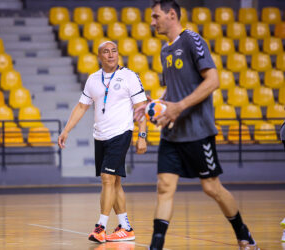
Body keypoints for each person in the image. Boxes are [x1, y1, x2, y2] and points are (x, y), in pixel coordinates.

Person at [134, 1, 258, 249]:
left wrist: (178, 107)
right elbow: (174, 90)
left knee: (212, 188)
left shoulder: (191, 39)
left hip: (198, 133)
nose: (152, 22)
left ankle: (244, 235)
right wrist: (156, 104)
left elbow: (213, 81)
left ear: (172, 15)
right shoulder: (164, 51)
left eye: (156, 16)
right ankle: (155, 246)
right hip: (172, 134)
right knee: (164, 187)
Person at [58, 41, 147, 243]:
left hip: (121, 133)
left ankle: (100, 227)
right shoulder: (93, 79)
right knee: (114, 182)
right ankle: (126, 227)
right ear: (99, 56)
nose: (111, 55)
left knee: (107, 178)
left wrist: (142, 136)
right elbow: (81, 107)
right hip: (100, 136)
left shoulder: (129, 76)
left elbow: (141, 107)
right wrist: (66, 130)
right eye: (106, 52)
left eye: (114, 51)